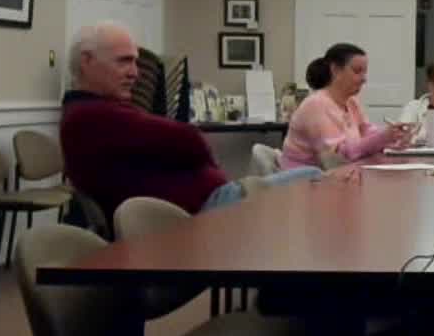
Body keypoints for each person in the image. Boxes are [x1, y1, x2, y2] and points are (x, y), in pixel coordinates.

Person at [59, 20, 320, 218]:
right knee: (313, 176)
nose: (135, 73)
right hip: (202, 214)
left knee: (315, 183)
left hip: (213, 204)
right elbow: (188, 139)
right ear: (87, 62)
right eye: (124, 62)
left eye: (135, 62)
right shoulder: (89, 116)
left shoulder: (98, 110)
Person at [281, 42, 414, 169]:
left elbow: (367, 132)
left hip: (336, 175)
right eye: (357, 71)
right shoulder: (316, 105)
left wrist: (394, 138)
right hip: (305, 179)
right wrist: (383, 138)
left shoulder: (351, 102)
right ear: (335, 70)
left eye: (365, 72)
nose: (364, 79)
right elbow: (337, 157)